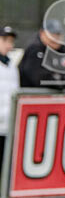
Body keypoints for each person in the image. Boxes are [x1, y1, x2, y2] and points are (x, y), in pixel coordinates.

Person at [19, 19, 65, 88]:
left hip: (57, 97)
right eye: (52, 34)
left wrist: (59, 80)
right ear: (42, 33)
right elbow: (38, 78)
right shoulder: (34, 50)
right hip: (32, 97)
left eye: (58, 34)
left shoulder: (62, 51)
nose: (55, 38)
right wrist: (58, 80)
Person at [0, 26, 19, 169]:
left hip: (8, 127)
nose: (9, 45)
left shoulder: (12, 66)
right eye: (5, 40)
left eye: (11, 41)